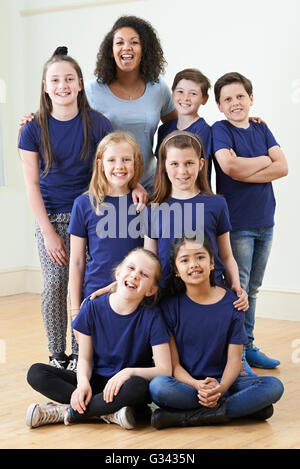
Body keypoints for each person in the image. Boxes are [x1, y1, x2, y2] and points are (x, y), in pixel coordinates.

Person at [18, 47, 113, 370]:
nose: (63, 86)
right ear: (45, 86)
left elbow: (110, 171)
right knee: (55, 284)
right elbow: (31, 185)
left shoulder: (99, 125)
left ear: (80, 84)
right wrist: (48, 233)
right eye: (55, 80)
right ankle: (57, 353)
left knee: (85, 284)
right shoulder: (32, 129)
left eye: (69, 79)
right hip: (52, 219)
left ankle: (80, 351)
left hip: (89, 217)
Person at [26, 248, 172, 430]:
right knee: (36, 372)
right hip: (95, 381)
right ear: (118, 273)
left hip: (126, 387)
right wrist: (82, 384)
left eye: (144, 274)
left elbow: (165, 369)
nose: (135, 276)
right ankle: (108, 412)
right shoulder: (92, 308)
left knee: (139, 387)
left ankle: (68, 412)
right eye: (131, 268)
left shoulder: (153, 317)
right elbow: (85, 358)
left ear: (151, 290)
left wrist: (128, 372)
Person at [149, 235, 284, 429]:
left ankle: (189, 417)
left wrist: (221, 388)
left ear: (212, 263)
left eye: (200, 257)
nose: (193, 264)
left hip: (226, 382)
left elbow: (235, 360)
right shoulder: (169, 307)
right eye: (185, 260)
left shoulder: (233, 303)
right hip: (189, 385)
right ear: (177, 271)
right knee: (158, 387)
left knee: (274, 386)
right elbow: (174, 366)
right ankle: (236, 410)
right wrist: (197, 385)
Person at [211, 72, 288, 372]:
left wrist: (246, 167)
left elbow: (283, 167)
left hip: (265, 220)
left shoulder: (262, 128)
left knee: (253, 288)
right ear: (219, 105)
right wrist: (263, 161)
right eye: (228, 99)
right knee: (237, 289)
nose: (235, 103)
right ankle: (236, 354)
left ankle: (249, 345)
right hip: (238, 223)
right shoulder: (220, 130)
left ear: (251, 98)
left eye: (240, 96)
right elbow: (229, 167)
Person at [144, 130, 248, 314]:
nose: (182, 171)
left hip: (210, 291)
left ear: (201, 164)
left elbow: (226, 255)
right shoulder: (153, 208)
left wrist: (237, 287)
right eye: (174, 164)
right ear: (164, 166)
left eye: (189, 163)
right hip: (168, 296)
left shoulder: (216, 204)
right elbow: (149, 258)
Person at [68, 131, 146, 350]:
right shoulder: (84, 204)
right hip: (96, 297)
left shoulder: (144, 204)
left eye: (126, 160)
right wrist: (76, 310)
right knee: (89, 361)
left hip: (133, 296)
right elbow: (76, 262)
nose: (119, 166)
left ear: (136, 163)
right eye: (112, 160)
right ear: (101, 163)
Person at [85, 15, 177, 195]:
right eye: (119, 43)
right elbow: (66, 120)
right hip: (109, 189)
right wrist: (33, 120)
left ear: (144, 50)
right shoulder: (92, 89)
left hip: (150, 186)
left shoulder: (158, 87)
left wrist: (239, 120)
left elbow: (177, 126)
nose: (126, 47)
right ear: (111, 51)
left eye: (134, 42)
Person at [155, 68, 212, 179]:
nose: (185, 98)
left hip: (193, 193)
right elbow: (160, 168)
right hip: (167, 193)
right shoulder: (164, 129)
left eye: (193, 93)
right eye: (180, 91)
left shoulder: (203, 130)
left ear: (204, 99)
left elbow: (196, 171)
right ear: (172, 94)